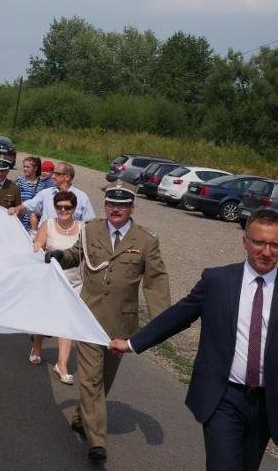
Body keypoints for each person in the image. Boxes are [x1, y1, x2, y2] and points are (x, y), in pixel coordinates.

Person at [108, 208, 278, 470]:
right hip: (223, 396)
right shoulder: (217, 281)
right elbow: (179, 315)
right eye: (259, 242)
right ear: (245, 241)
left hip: (267, 406)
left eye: (275, 244)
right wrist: (133, 343)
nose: (266, 252)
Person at [50, 186, 170, 462]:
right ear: (105, 205)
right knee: (91, 378)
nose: (115, 209)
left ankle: (82, 416)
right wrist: (60, 255)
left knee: (104, 380)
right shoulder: (91, 229)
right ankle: (97, 442)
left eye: (122, 205)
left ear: (131, 208)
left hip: (120, 324)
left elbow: (156, 281)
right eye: (110, 204)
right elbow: (77, 253)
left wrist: (162, 322)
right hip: (89, 317)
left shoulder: (146, 240)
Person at [30, 190, 82, 383]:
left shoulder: (82, 228)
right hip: (51, 280)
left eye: (67, 207)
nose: (63, 210)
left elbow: (84, 255)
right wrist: (38, 246)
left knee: (67, 322)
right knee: (42, 316)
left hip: (74, 282)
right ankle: (37, 346)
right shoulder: (48, 224)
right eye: (59, 206)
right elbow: (39, 242)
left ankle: (62, 365)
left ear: (74, 208)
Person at [8, 161, 94, 228]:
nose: (53, 176)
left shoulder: (81, 197)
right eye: (53, 173)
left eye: (57, 174)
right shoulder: (46, 193)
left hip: (69, 244)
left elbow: (90, 222)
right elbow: (30, 204)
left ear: (67, 177)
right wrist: (17, 208)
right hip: (45, 241)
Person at [15, 157, 44, 232]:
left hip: (36, 220)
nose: (25, 169)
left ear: (35, 168)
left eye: (27, 167)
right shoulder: (20, 180)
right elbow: (15, 197)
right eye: (24, 166)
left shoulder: (42, 183)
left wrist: (41, 210)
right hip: (21, 218)